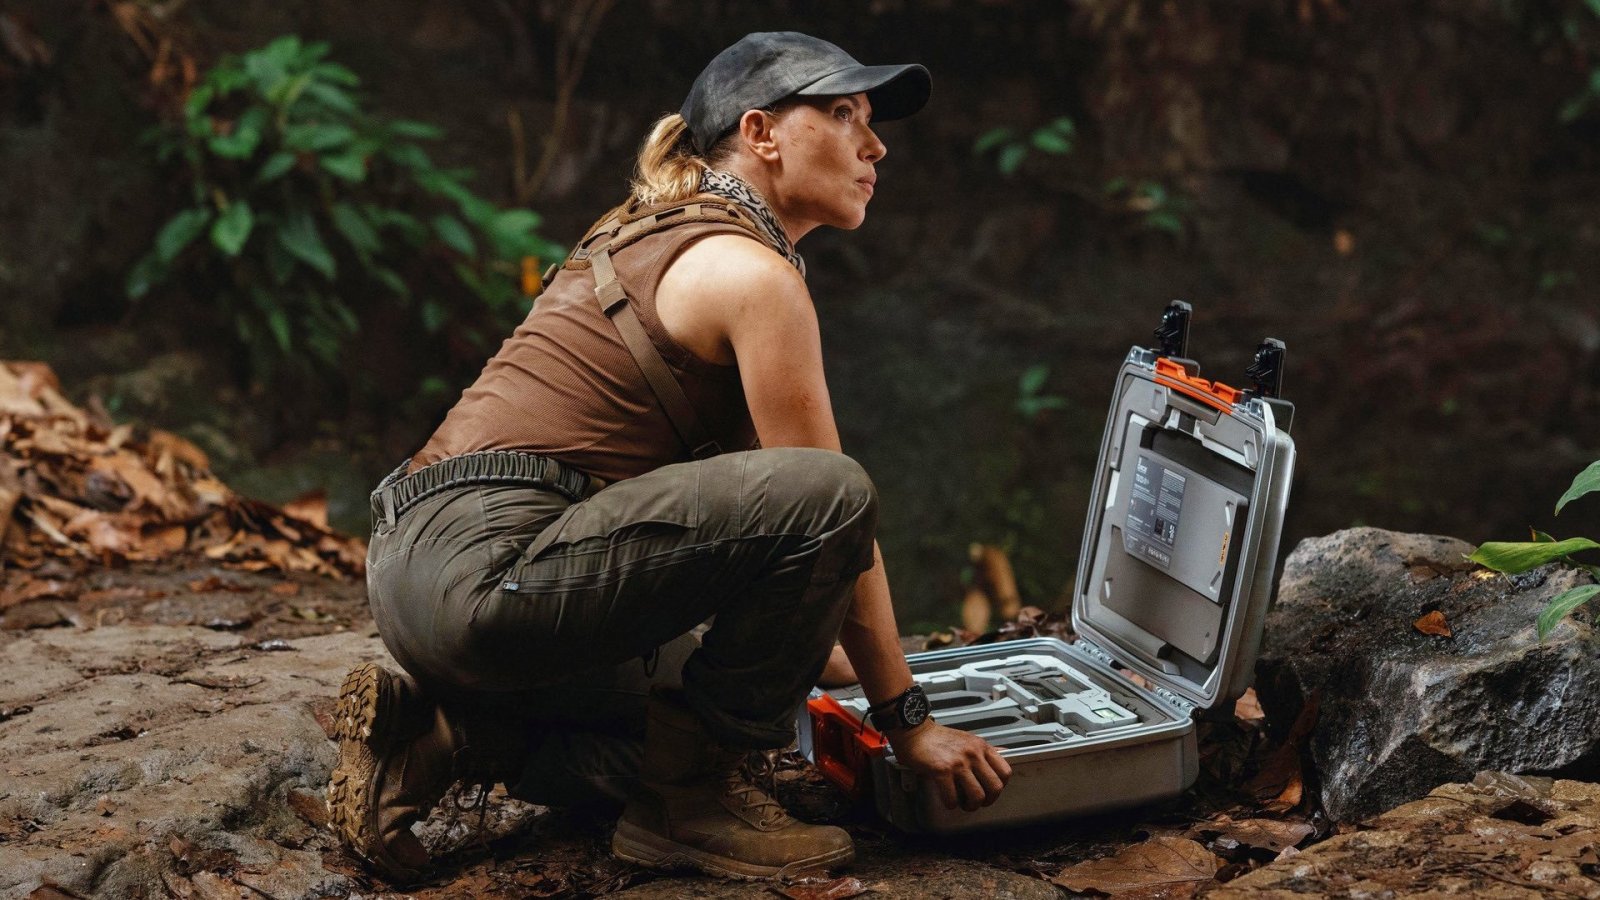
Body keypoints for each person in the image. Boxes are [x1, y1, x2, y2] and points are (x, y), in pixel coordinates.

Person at [327, 31, 1011, 884]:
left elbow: (765, 548)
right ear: (760, 133)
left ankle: (439, 741)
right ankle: (695, 806)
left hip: (420, 571)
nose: (875, 146)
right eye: (843, 114)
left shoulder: (649, 230)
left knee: (699, 714)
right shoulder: (752, 275)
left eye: (870, 122)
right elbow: (828, 510)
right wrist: (907, 719)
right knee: (833, 494)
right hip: (491, 569)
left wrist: (813, 661)